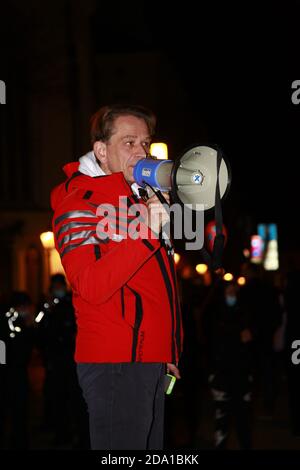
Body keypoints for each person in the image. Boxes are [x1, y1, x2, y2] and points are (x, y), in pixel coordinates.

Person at [50, 104, 183, 450]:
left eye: (145, 143)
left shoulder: (137, 202)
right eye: (128, 142)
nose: (141, 152)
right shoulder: (79, 202)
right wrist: (146, 233)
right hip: (115, 364)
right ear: (101, 151)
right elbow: (91, 285)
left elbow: (155, 287)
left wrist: (166, 348)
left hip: (149, 360)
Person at [202, 281, 254, 450]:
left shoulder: (243, 310)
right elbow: (212, 340)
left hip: (241, 373)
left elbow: (250, 339)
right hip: (221, 373)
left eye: (234, 290)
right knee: (222, 415)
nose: (232, 293)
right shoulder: (214, 312)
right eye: (228, 290)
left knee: (243, 416)